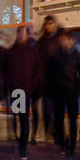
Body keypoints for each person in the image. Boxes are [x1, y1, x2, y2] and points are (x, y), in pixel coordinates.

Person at [1, 25, 43, 160]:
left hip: (25, 91)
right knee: (15, 117)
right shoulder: (10, 52)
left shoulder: (32, 52)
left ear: (26, 35)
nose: (20, 36)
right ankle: (18, 141)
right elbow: (4, 70)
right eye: (18, 34)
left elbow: (38, 70)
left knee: (24, 118)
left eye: (23, 34)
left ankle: (22, 147)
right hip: (15, 90)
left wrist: (31, 85)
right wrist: (9, 83)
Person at [47, 31, 80, 156]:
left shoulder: (77, 56)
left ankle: (71, 146)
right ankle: (63, 143)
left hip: (71, 92)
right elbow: (49, 75)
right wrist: (52, 90)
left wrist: (78, 88)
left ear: (72, 41)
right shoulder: (56, 56)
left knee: (72, 120)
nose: (64, 42)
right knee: (59, 119)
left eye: (66, 40)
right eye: (63, 40)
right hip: (59, 92)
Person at [31, 14, 61, 143]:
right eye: (47, 24)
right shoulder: (41, 42)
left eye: (51, 23)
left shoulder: (59, 40)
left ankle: (54, 133)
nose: (49, 26)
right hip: (43, 81)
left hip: (56, 80)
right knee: (46, 108)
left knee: (55, 108)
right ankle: (46, 132)